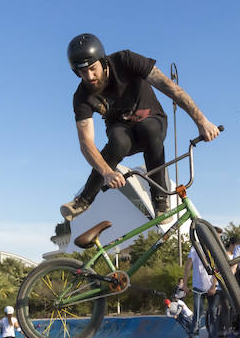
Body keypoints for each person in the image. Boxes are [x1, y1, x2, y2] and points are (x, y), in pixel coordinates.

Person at [60, 33, 220, 222]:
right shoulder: (82, 96)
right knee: (118, 141)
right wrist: (107, 172)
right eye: (82, 72)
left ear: (102, 61)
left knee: (149, 129)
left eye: (93, 69)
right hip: (122, 131)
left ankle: (160, 201)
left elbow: (170, 87)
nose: (89, 76)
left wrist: (201, 121)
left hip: (153, 122)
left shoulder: (126, 61)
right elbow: (86, 142)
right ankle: (84, 201)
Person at [185, 245, 219, 338]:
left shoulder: (213, 247)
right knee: (197, 314)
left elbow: (216, 269)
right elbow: (188, 266)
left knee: (213, 314)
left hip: (211, 287)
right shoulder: (195, 249)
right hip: (198, 287)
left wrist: (214, 286)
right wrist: (185, 285)